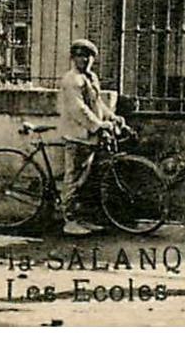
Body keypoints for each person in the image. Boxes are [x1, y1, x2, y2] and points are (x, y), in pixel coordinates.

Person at [56, 38, 124, 236]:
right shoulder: (72, 80)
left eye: (88, 56)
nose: (84, 60)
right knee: (74, 178)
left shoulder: (91, 77)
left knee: (86, 180)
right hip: (77, 136)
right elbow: (79, 109)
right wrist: (98, 125)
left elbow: (98, 104)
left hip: (89, 137)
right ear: (73, 58)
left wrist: (111, 117)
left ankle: (82, 218)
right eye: (80, 56)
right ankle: (69, 221)